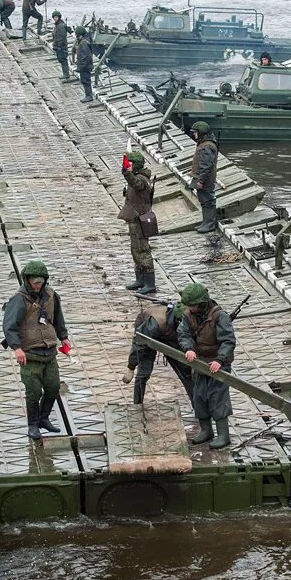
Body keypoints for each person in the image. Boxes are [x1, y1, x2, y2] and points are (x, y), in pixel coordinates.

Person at [1, 260, 71, 440]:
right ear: (27, 280)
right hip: (30, 354)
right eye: (35, 282)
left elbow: (58, 317)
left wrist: (63, 337)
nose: (38, 285)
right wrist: (17, 348)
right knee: (33, 392)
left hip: (49, 350)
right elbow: (9, 325)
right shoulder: (19, 299)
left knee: (53, 387)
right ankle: (32, 424)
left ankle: (43, 418)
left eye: (41, 281)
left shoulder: (51, 295)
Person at [176, 283, 235, 449]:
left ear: (201, 303)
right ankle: (206, 430)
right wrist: (188, 349)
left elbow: (228, 341)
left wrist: (220, 360)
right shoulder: (188, 315)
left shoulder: (219, 316)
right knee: (200, 396)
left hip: (218, 363)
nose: (190, 308)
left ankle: (224, 435)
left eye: (193, 305)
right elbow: (183, 334)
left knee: (218, 398)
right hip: (199, 362)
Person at [124, 301, 191, 405]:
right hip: (148, 332)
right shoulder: (154, 324)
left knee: (185, 369)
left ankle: (198, 407)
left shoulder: (187, 315)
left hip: (168, 333)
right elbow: (139, 345)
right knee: (144, 373)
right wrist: (131, 367)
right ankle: (137, 404)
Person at [118, 151, 155, 294]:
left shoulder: (142, 179)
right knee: (135, 250)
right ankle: (140, 279)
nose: (128, 166)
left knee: (143, 250)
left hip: (140, 220)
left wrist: (127, 174)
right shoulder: (136, 177)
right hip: (134, 219)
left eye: (130, 164)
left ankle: (149, 283)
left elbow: (137, 184)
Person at [188, 121, 219, 233]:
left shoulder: (207, 146)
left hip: (206, 179)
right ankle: (206, 222)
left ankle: (209, 224)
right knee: (204, 201)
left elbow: (206, 165)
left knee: (208, 201)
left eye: (195, 132)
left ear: (201, 133)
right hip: (202, 177)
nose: (194, 135)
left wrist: (201, 180)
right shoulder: (205, 144)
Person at [73, 25, 94, 103]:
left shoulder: (84, 43)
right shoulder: (84, 41)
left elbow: (85, 57)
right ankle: (88, 95)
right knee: (85, 80)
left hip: (85, 66)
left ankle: (89, 96)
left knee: (86, 81)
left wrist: (81, 67)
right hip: (85, 65)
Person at [51, 10, 71, 79]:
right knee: (61, 60)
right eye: (54, 17)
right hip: (58, 46)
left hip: (61, 47)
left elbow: (62, 37)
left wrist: (59, 46)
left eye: (56, 17)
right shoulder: (57, 25)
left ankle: (66, 75)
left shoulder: (61, 26)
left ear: (59, 17)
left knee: (63, 60)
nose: (55, 18)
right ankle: (65, 74)